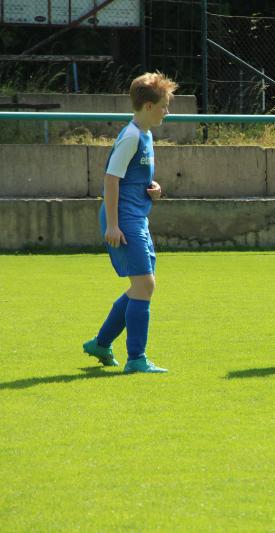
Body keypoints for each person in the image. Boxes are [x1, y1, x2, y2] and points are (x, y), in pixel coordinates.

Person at [82, 71, 177, 373]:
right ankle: (136, 359)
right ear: (148, 106)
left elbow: (132, 178)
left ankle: (100, 344)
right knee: (144, 284)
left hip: (137, 218)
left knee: (141, 286)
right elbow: (111, 179)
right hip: (124, 220)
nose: (166, 111)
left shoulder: (145, 135)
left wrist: (154, 188)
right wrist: (112, 225)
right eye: (163, 106)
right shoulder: (132, 136)